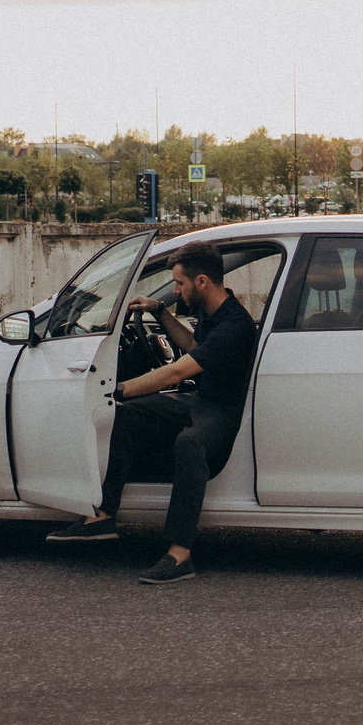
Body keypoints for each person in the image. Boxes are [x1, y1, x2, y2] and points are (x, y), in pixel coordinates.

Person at [46, 244, 259, 586]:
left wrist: (117, 389)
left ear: (201, 281)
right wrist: (160, 311)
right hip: (199, 401)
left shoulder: (235, 324)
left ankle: (180, 553)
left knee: (189, 445)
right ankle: (101, 516)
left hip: (223, 412)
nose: (176, 290)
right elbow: (194, 348)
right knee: (128, 417)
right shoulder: (212, 310)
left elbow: (177, 372)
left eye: (179, 284)